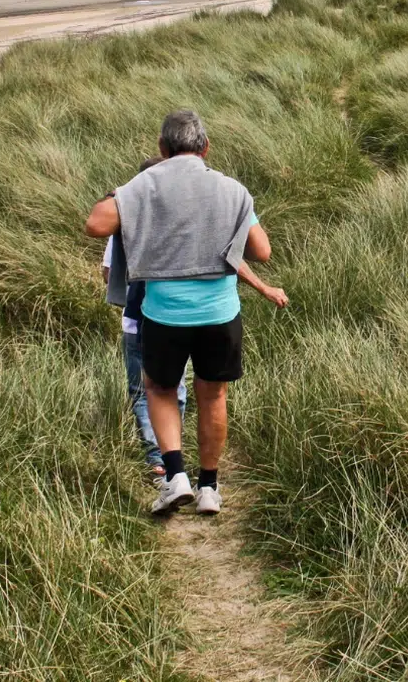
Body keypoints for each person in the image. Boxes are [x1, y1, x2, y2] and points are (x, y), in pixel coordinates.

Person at [85, 109, 287, 516]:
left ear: (162, 149)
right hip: (220, 313)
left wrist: (125, 190)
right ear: (206, 147)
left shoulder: (145, 185)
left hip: (165, 313)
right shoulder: (232, 189)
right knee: (213, 396)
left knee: (159, 389)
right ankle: (209, 487)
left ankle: (175, 477)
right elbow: (261, 251)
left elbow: (95, 224)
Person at [102, 157, 187, 481]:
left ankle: (158, 459)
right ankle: (173, 455)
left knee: (142, 391)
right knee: (175, 386)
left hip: (136, 320)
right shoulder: (180, 220)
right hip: (175, 317)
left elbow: (109, 272)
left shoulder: (124, 221)